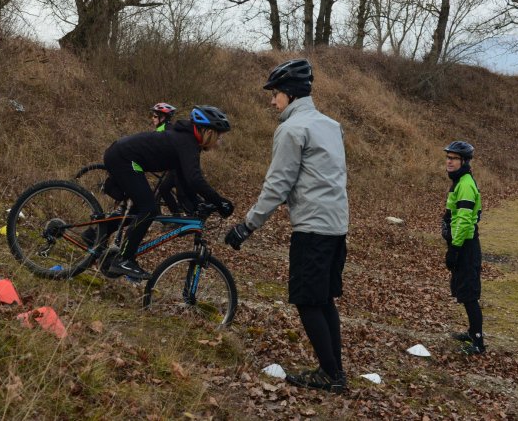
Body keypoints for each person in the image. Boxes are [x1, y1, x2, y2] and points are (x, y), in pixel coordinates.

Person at [224, 58, 349, 394]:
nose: (272, 100)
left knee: (308, 301)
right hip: (336, 226)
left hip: (312, 228)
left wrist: (247, 226)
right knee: (323, 300)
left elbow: (277, 186)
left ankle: (330, 375)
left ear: (290, 94)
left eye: (275, 93)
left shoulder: (293, 129)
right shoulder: (330, 125)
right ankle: (334, 370)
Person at [102, 105, 234, 279]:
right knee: (149, 209)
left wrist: (197, 205)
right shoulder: (187, 142)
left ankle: (96, 233)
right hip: (124, 158)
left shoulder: (185, 140)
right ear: (208, 132)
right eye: (219, 136)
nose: (219, 142)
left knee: (138, 211)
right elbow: (195, 179)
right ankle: (124, 259)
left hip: (121, 154)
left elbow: (185, 180)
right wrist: (219, 201)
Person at [441, 141, 485, 355]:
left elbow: (465, 220)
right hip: (462, 245)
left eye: (454, 158)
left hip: (466, 246)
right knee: (464, 290)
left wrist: (455, 249)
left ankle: (478, 342)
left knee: (469, 294)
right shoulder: (460, 181)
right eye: (448, 157)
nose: (449, 161)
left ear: (464, 161)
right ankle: (471, 332)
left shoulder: (465, 184)